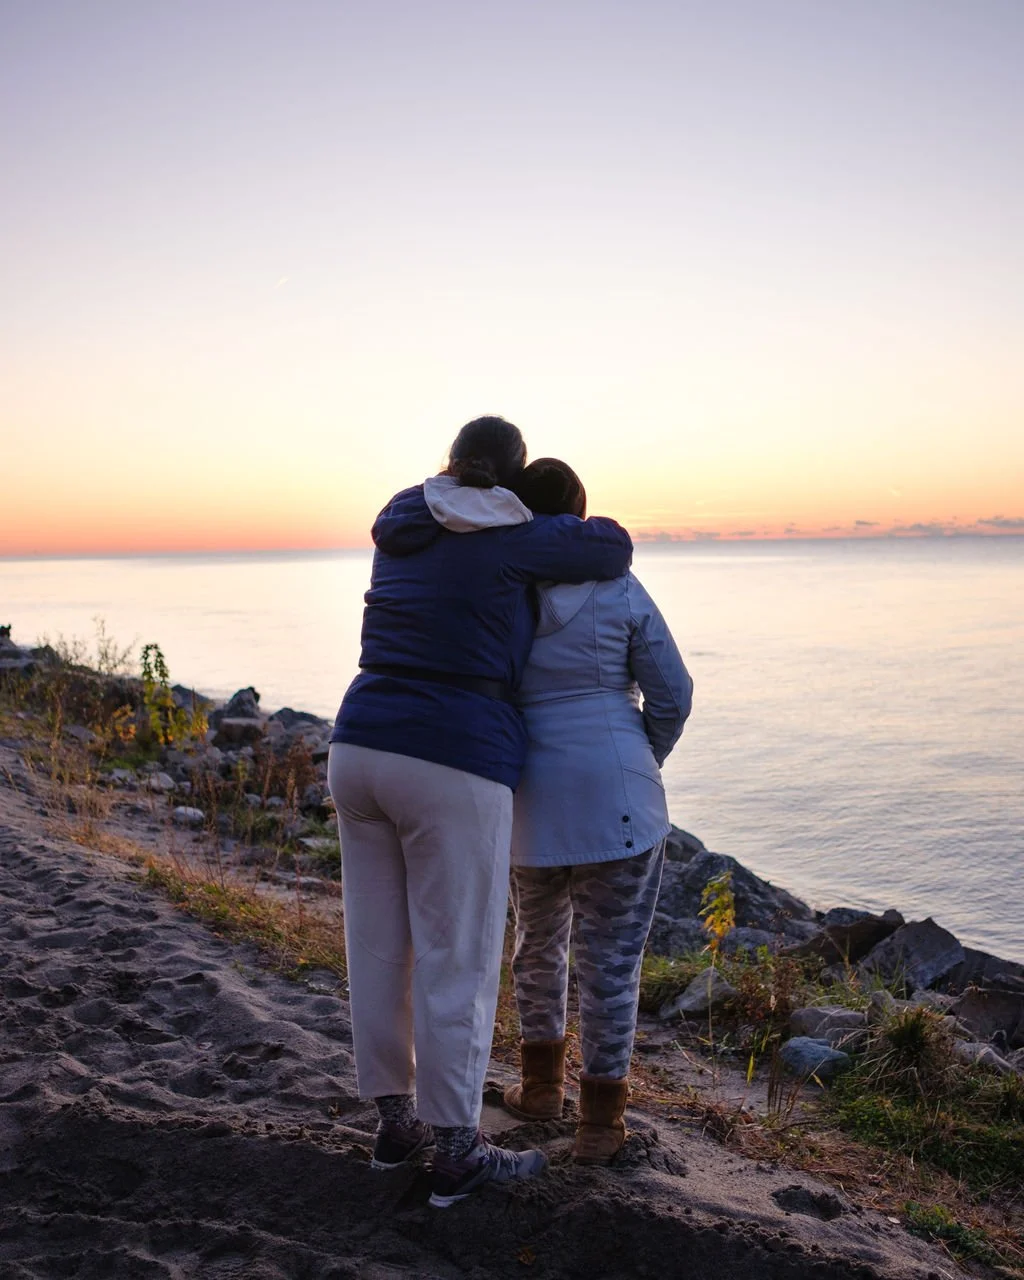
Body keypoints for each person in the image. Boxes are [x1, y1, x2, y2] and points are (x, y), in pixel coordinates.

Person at [327, 419, 634, 1207]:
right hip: (454, 754)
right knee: (455, 959)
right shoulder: (514, 533)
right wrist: (547, 514)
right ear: (510, 477)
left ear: (449, 462)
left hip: (359, 744)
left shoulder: (402, 512)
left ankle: (397, 1125)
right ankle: (458, 1151)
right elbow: (611, 547)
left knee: (377, 948)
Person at [501, 457, 693, 1164]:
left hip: (529, 794)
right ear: (581, 511)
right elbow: (672, 691)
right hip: (619, 795)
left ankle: (541, 1086)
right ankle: (600, 1126)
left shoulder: (504, 590)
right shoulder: (619, 584)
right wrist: (642, 757)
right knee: (612, 966)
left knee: (537, 944)